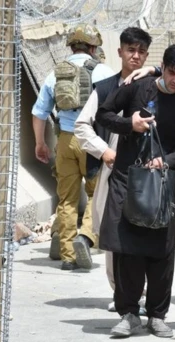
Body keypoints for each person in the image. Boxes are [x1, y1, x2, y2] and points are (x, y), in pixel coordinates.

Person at [95, 44, 175, 337]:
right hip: (128, 179)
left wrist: (166, 161)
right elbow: (103, 115)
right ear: (162, 66)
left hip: (162, 183)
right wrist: (131, 123)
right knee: (127, 249)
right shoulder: (136, 88)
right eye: (171, 72)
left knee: (162, 250)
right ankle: (128, 314)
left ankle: (156, 315)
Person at [74, 27, 153, 312]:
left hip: (148, 173)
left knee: (146, 228)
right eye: (130, 50)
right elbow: (82, 125)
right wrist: (104, 151)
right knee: (113, 229)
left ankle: (142, 293)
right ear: (119, 52)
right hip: (112, 170)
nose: (135, 56)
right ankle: (120, 291)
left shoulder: (152, 84)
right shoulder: (106, 88)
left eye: (141, 52)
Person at [31, 23, 114, 270]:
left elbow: (39, 112)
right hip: (91, 139)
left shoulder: (54, 73)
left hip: (65, 139)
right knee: (96, 193)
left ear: (71, 46)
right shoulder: (103, 71)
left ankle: (67, 255)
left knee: (66, 199)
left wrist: (40, 143)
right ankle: (85, 238)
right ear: (92, 46)